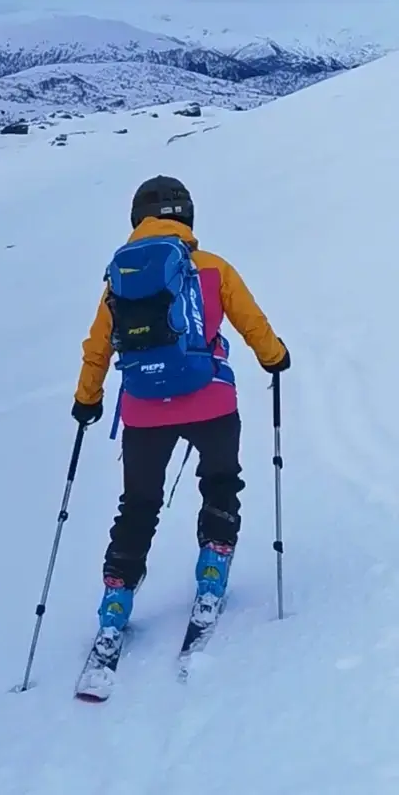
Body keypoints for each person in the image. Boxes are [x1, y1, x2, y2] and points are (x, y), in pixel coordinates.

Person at [73, 175, 290, 634]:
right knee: (220, 482)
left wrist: (86, 400)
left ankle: (116, 598)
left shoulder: (121, 277)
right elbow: (252, 322)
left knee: (138, 503)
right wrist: (276, 357)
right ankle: (212, 569)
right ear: (187, 216)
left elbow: (98, 346)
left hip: (143, 407)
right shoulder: (212, 267)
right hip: (210, 399)